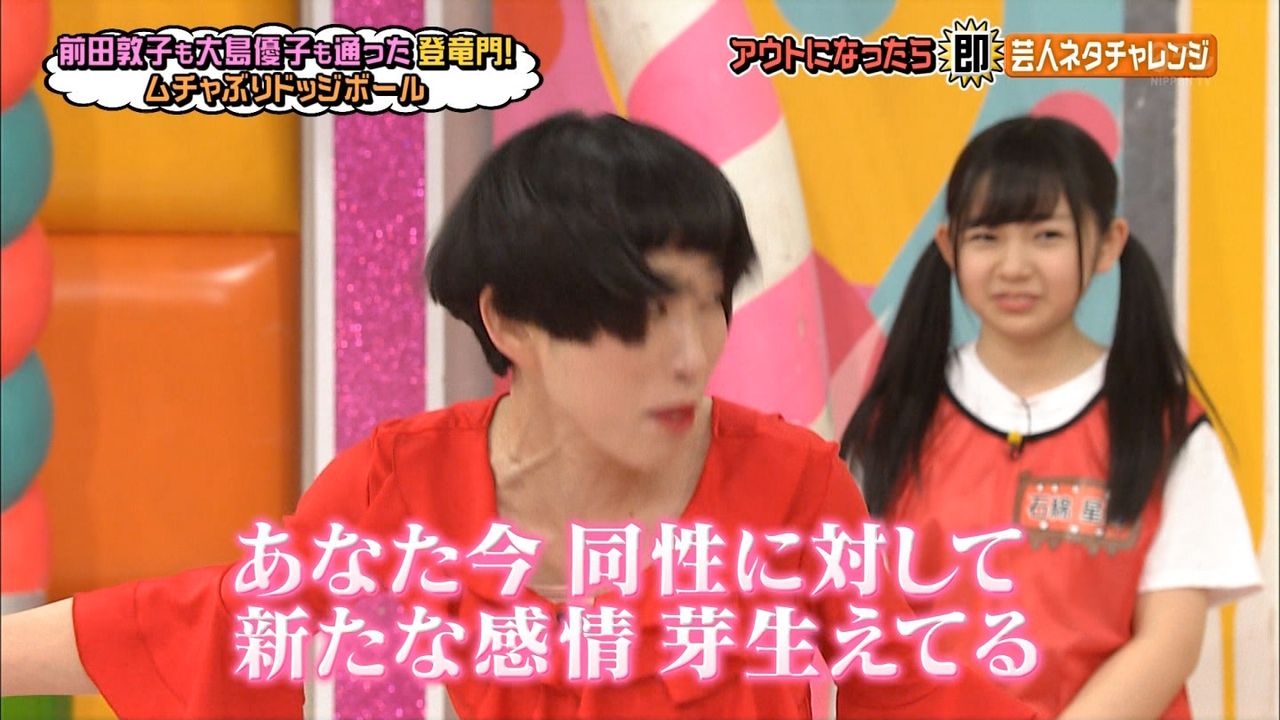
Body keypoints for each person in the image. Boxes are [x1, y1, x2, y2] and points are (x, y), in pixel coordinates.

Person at [1, 112, 1041, 719]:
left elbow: (922, 695)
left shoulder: (793, 485)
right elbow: (205, 626)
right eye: (639, 318)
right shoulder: (401, 485)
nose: (690, 357)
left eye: (707, 306)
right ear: (511, 320)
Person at [839, 115, 1262, 720]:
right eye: (987, 237)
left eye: (1046, 235)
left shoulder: (1166, 428)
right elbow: (866, 625)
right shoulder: (890, 424)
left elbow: (1169, 642)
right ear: (948, 245)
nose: (1014, 266)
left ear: (1109, 243)